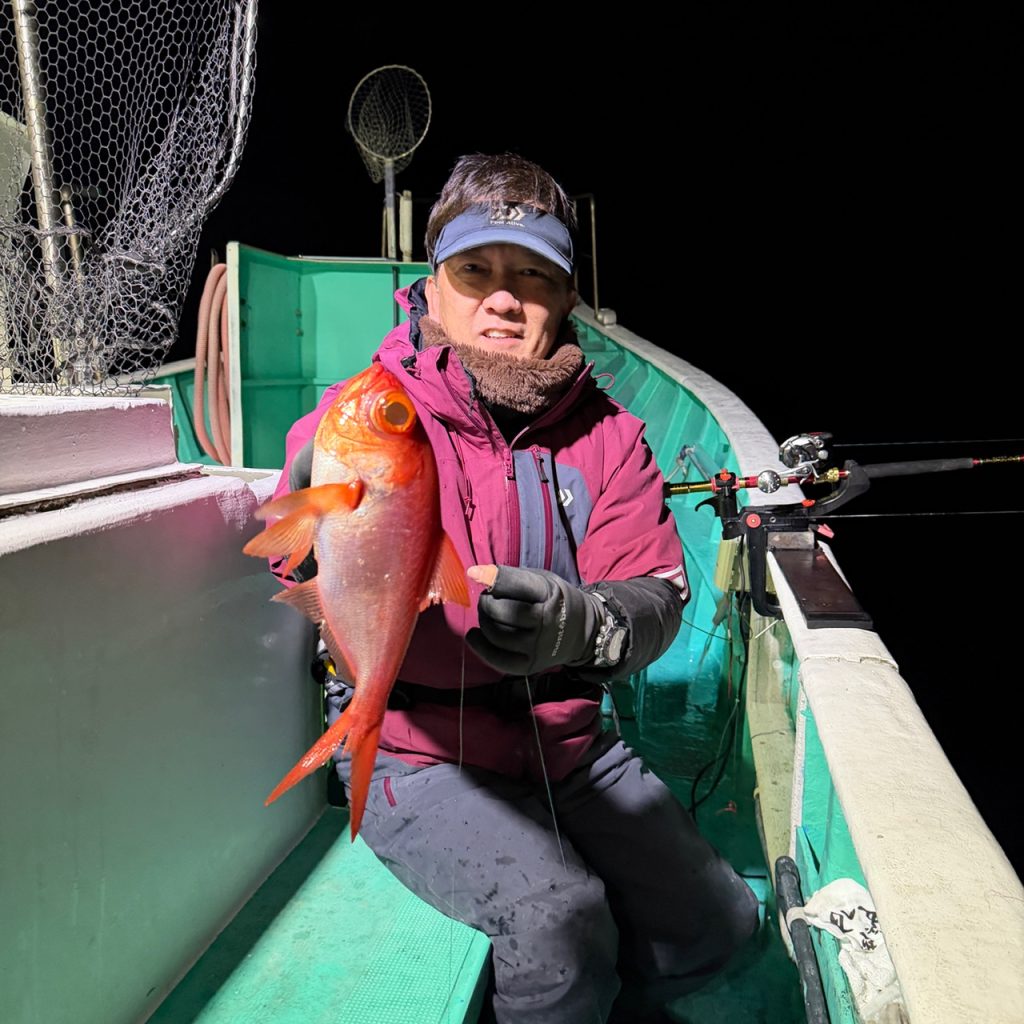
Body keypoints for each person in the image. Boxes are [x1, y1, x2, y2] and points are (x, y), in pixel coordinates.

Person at [271, 154, 758, 1024]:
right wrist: (315, 516)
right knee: (559, 921)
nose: (504, 298)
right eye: (477, 271)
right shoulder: (372, 413)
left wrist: (582, 623)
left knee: (719, 922)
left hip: (566, 743)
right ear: (433, 286)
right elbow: (289, 556)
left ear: (566, 298)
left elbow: (654, 595)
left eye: (533, 275)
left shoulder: (611, 436)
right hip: (416, 747)